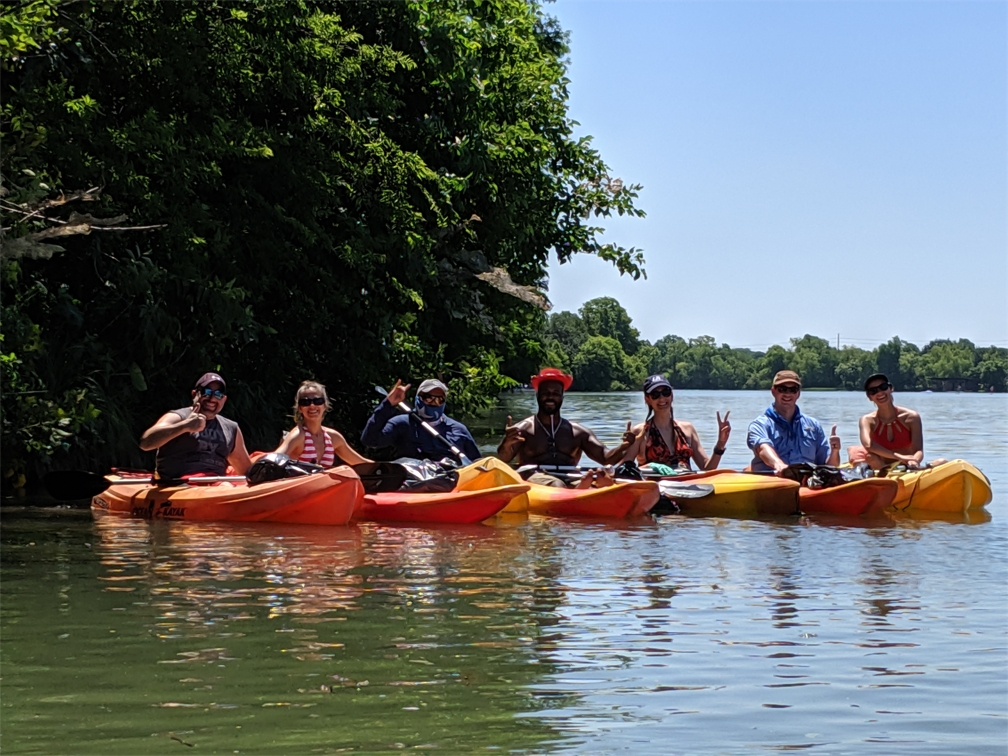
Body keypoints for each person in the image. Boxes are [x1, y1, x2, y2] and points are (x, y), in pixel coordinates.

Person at [496, 368, 627, 487]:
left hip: (570, 476)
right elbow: (504, 459)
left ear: (562, 397)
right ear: (537, 396)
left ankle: (584, 490)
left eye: (555, 393)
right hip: (534, 477)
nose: (550, 397)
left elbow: (605, 458)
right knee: (557, 484)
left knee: (595, 483)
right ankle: (578, 491)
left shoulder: (578, 432)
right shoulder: (523, 429)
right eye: (545, 393)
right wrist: (507, 443)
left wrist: (624, 446)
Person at [139, 372, 253, 479]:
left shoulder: (231, 428)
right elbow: (145, 443)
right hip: (177, 484)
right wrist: (184, 426)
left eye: (218, 394)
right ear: (194, 394)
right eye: (206, 392)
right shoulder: (178, 417)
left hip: (215, 487)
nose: (212, 398)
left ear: (224, 399)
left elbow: (246, 472)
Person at [617, 374, 731, 472]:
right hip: (655, 492)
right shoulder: (640, 432)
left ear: (671, 395)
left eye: (665, 392)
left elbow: (707, 469)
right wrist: (650, 467)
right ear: (647, 399)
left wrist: (720, 444)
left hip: (685, 489)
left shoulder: (687, 429)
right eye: (655, 395)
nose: (662, 399)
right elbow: (624, 470)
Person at [361, 378, 480, 462]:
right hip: (414, 483)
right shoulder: (402, 424)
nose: (433, 402)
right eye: (428, 398)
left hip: (450, 483)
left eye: (439, 399)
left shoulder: (459, 430)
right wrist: (388, 404)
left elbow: (477, 462)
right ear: (419, 398)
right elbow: (370, 440)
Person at [746, 370, 841, 474]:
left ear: (798, 393)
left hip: (808, 485)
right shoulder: (759, 425)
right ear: (773, 391)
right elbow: (763, 448)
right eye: (783, 389)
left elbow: (830, 467)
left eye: (793, 390)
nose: (788, 394)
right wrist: (779, 465)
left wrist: (835, 451)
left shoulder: (814, 425)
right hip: (772, 483)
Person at [849, 373, 944, 470]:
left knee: (942, 462)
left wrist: (914, 460)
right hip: (882, 468)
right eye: (873, 391)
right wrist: (899, 456)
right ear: (869, 397)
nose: (880, 393)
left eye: (883, 387)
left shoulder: (911, 417)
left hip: (908, 467)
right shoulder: (867, 420)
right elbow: (868, 445)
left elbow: (918, 450)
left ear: (891, 388)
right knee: (870, 458)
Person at [275, 380, 371, 467]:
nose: (312, 406)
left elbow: (360, 463)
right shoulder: (298, 435)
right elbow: (272, 461)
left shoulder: (333, 437)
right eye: (305, 402)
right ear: (300, 408)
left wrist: (383, 468)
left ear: (325, 405)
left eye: (317, 401)